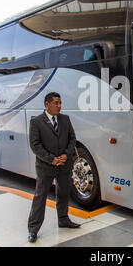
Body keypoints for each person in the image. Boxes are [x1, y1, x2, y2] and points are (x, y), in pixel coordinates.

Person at [27, 92, 79, 243]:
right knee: (40, 196)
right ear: (47, 104)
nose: (59, 106)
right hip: (45, 166)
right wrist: (51, 159)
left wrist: (66, 155)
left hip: (64, 164)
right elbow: (35, 145)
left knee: (63, 193)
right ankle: (33, 229)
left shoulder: (65, 119)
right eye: (56, 103)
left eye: (60, 103)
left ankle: (63, 219)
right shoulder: (36, 122)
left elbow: (72, 139)